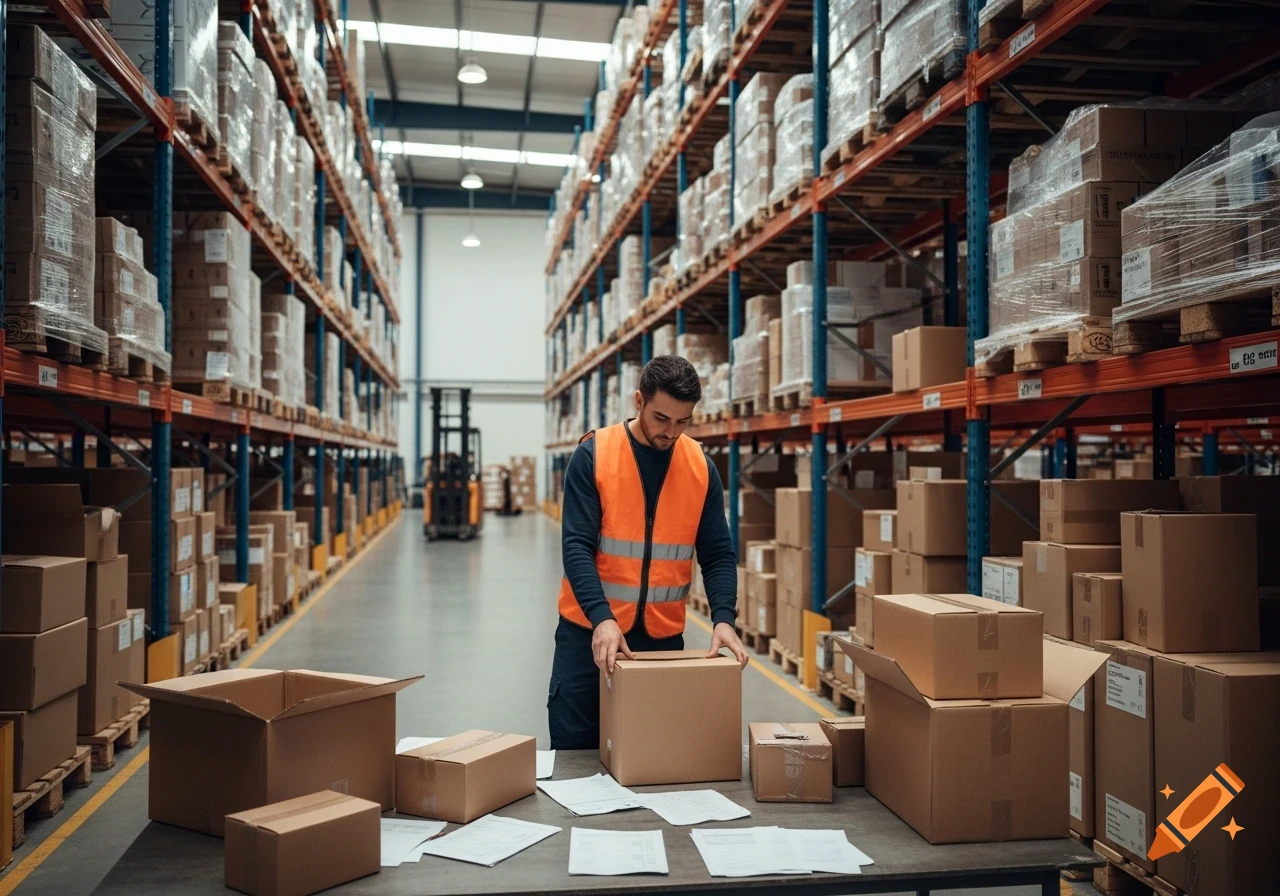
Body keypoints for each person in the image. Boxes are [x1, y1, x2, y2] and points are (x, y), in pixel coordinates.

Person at [547, 355, 747, 751]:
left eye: (683, 421)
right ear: (639, 401)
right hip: (590, 632)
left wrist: (724, 618)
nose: (670, 432)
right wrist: (601, 617)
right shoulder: (594, 456)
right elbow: (576, 546)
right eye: (661, 418)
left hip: (660, 640)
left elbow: (719, 553)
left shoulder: (701, 468)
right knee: (574, 754)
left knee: (651, 754)